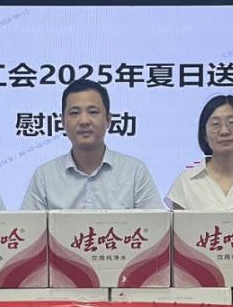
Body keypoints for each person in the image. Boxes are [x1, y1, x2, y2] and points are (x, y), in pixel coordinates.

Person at [21, 79, 161, 210]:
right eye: (74, 113)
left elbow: (156, 225)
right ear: (63, 122)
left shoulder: (135, 172)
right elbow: (29, 227)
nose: (84, 121)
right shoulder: (45, 176)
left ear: (108, 120)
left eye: (93, 112)